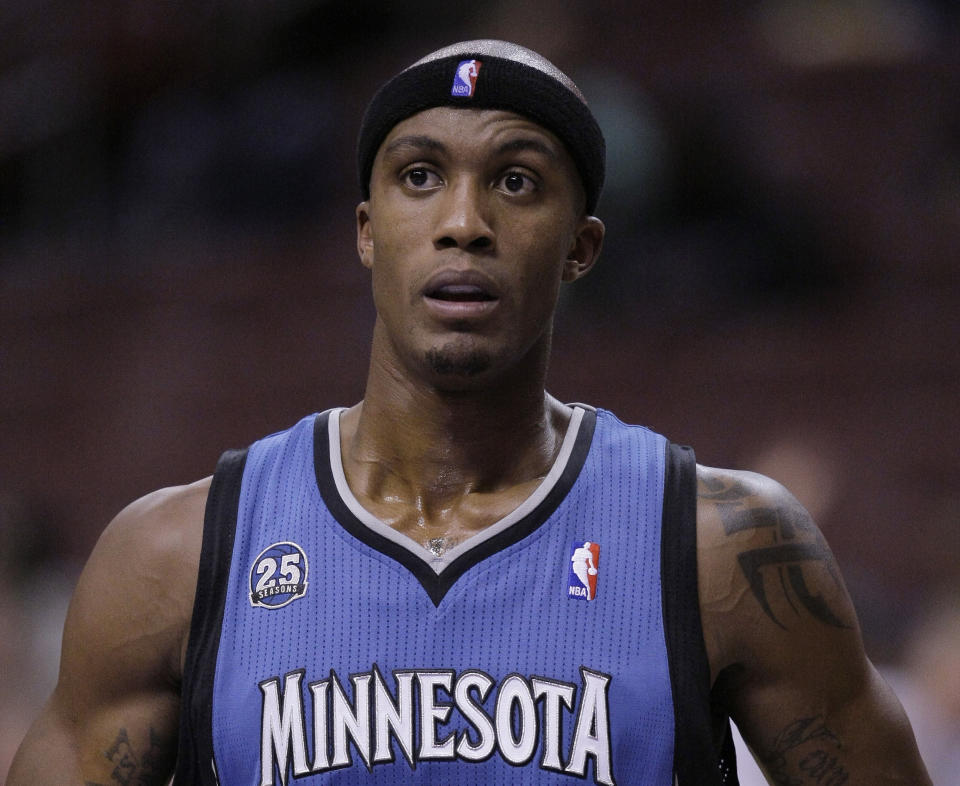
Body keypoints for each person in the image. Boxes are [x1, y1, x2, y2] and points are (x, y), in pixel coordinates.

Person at [8, 39, 931, 785]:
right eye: (418, 177)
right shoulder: (175, 557)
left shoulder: (716, 546)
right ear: (367, 231)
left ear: (582, 246)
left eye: (517, 181)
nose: (464, 221)